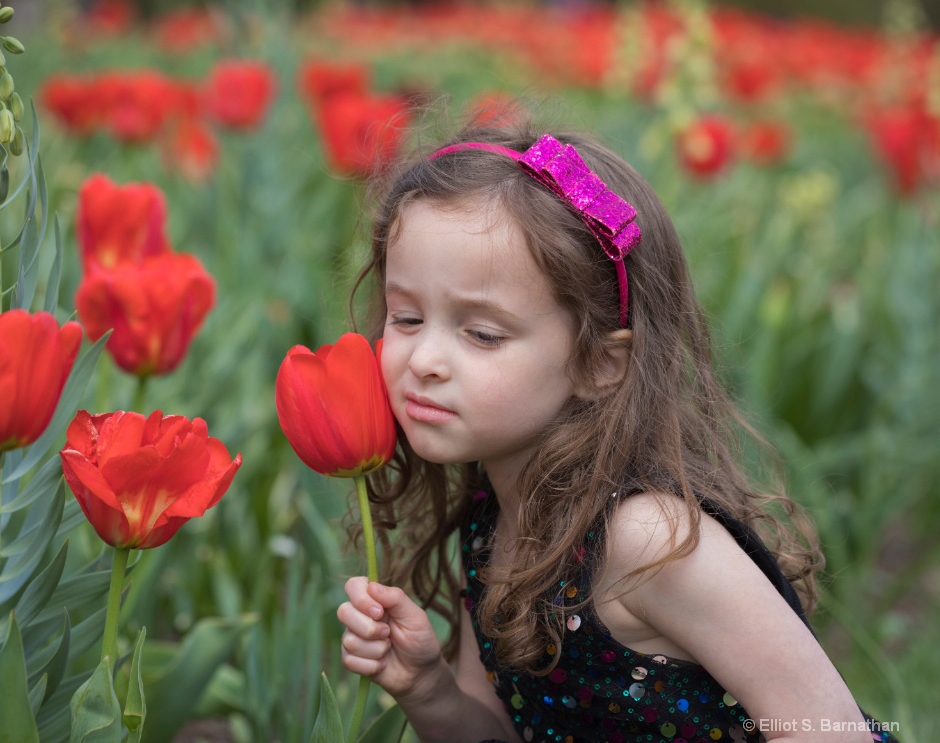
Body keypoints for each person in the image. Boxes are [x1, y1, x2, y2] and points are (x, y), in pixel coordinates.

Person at [336, 120, 896, 743]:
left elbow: (832, 731)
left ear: (600, 364)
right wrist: (429, 689)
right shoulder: (492, 518)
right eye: (407, 317)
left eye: (483, 334)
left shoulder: (647, 541)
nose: (424, 360)